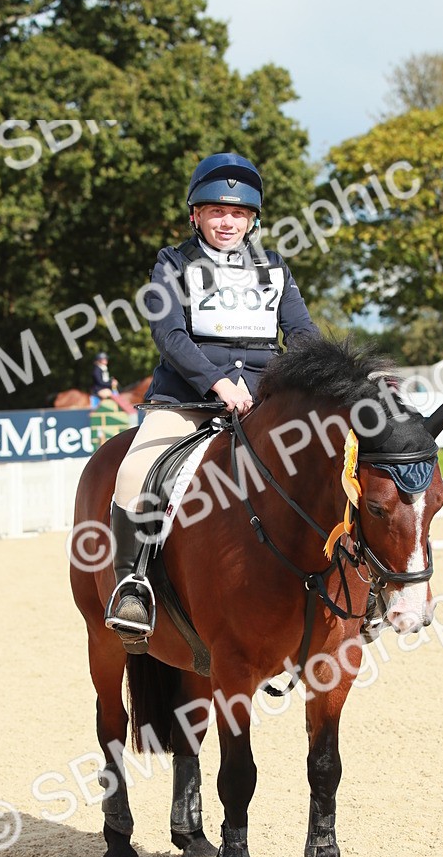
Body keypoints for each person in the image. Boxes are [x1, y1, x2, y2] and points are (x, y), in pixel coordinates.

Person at [105, 151, 318, 641]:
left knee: (326, 463)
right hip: (188, 401)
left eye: (239, 214)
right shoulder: (173, 263)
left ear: (252, 220)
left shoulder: (274, 267)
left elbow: (302, 333)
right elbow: (170, 335)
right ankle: (133, 586)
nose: (228, 222)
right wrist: (217, 382)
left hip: (264, 400)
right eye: (217, 211)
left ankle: (352, 582)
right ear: (196, 215)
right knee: (135, 471)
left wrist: (311, 380)